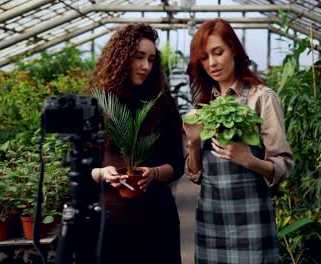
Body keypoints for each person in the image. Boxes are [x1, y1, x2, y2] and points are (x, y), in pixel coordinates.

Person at [183, 18, 293, 263]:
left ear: (233, 48)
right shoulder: (204, 107)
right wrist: (192, 142)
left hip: (251, 218)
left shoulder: (261, 98)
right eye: (204, 57)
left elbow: (283, 165)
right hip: (211, 219)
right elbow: (196, 176)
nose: (212, 63)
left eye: (218, 52)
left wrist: (248, 159)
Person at [87, 24, 184, 264]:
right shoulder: (98, 103)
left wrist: (154, 173)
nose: (146, 66)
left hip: (157, 219)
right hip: (111, 220)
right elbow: (82, 165)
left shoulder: (162, 104)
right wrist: (102, 173)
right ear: (121, 57)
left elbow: (176, 165)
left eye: (151, 59)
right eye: (139, 57)